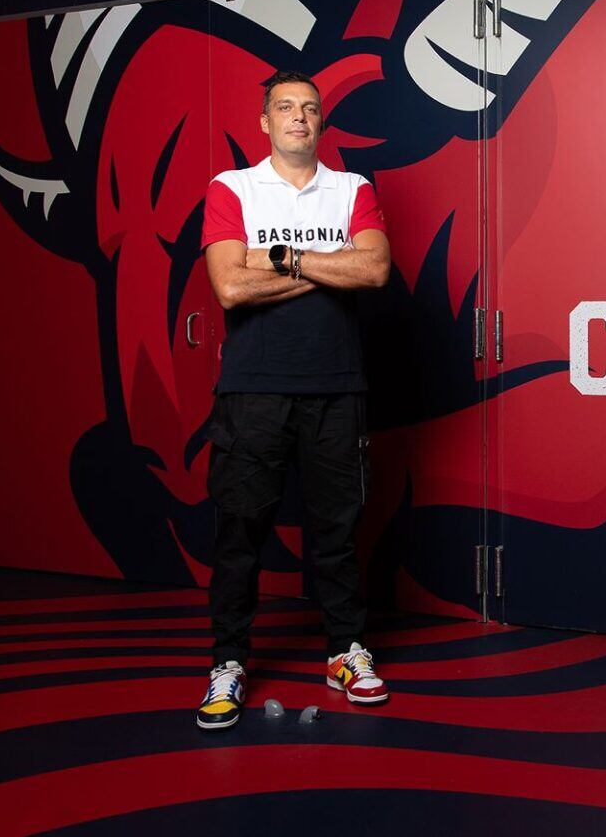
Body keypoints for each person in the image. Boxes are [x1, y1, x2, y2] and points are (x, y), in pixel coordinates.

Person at [194, 70, 393, 730]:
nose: (299, 117)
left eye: (309, 108)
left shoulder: (351, 189)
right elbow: (229, 287)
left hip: (337, 386)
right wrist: (326, 262)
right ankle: (228, 661)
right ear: (265, 122)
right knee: (240, 530)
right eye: (286, 107)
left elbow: (374, 268)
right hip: (252, 388)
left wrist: (280, 258)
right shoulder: (233, 188)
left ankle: (344, 650)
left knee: (336, 530)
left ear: (321, 122)